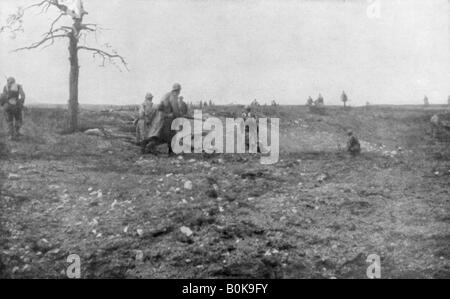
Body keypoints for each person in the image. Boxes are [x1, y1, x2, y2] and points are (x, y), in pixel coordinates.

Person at [141, 83, 182, 155]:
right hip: (166, 118)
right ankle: (170, 151)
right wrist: (178, 116)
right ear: (178, 90)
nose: (179, 92)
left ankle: (148, 146)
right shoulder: (173, 96)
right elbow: (175, 109)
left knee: (159, 135)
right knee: (170, 134)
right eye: (179, 90)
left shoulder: (167, 94)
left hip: (160, 117)